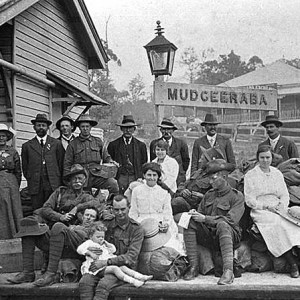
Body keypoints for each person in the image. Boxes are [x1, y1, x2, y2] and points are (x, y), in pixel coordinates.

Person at [183, 159, 244, 285]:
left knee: (222, 224)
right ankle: (194, 266)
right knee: (189, 222)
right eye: (209, 179)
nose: (210, 182)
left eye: (213, 179)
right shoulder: (209, 195)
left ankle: (228, 272)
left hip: (230, 236)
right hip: (211, 236)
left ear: (224, 176)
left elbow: (231, 220)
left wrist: (205, 218)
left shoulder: (236, 196)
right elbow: (200, 214)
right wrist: (194, 214)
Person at [244, 145, 300, 278]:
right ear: (258, 158)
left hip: (278, 207)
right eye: (262, 157)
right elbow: (249, 200)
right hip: (260, 210)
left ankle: (297, 258)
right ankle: (292, 263)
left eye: (268, 157)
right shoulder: (251, 175)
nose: (265, 160)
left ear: (272, 158)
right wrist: (265, 206)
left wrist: (281, 205)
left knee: (293, 223)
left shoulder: (277, 173)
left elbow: (284, 194)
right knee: (276, 224)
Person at [7, 207, 99, 286]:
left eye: (92, 216)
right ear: (82, 217)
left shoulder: (95, 229)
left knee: (58, 226)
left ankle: (51, 274)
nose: (89, 218)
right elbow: (42, 211)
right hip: (61, 245)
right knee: (30, 226)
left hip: (80, 245)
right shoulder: (74, 225)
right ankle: (28, 273)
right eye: (87, 215)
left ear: (96, 220)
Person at [79, 194, 144, 300]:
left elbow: (131, 257)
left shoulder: (136, 229)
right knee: (85, 282)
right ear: (112, 209)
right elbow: (92, 239)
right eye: (116, 210)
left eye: (123, 209)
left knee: (103, 285)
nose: (120, 213)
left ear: (129, 207)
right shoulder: (106, 225)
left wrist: (106, 262)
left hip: (123, 269)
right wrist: (91, 252)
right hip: (100, 266)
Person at [129, 162, 185, 255]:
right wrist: (135, 226)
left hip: (160, 223)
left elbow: (167, 214)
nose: (151, 178)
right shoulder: (137, 191)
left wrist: (166, 224)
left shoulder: (164, 193)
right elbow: (133, 212)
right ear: (144, 175)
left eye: (154, 175)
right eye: (149, 175)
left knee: (170, 246)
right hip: (141, 223)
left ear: (158, 177)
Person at [77, 222, 152, 287]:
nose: (101, 239)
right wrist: (89, 253)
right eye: (98, 237)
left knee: (123, 267)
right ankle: (133, 282)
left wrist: (107, 244)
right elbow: (79, 249)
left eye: (102, 237)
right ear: (91, 236)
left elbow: (113, 250)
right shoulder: (89, 243)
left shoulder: (103, 244)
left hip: (105, 265)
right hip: (96, 269)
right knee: (115, 269)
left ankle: (140, 276)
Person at [64, 114, 119, 195]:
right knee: (84, 197)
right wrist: (68, 181)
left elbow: (106, 157)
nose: (85, 129)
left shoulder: (98, 141)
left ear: (90, 127)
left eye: (87, 126)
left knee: (113, 184)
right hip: (80, 177)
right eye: (83, 126)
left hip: (97, 174)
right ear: (79, 128)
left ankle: (111, 205)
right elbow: (67, 164)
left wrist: (111, 162)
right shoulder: (73, 144)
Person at [21, 114, 65, 210]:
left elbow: (61, 164)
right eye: (38, 125)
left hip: (52, 183)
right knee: (37, 209)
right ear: (34, 127)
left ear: (48, 127)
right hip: (36, 184)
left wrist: (59, 181)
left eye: (43, 125)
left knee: (53, 209)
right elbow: (25, 167)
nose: (41, 127)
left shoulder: (56, 144)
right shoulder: (27, 146)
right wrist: (31, 178)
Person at [39, 164, 103, 228]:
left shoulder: (86, 196)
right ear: (70, 180)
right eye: (74, 179)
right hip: (55, 224)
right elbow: (45, 208)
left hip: (75, 228)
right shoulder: (60, 192)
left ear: (84, 180)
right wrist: (61, 217)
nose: (77, 181)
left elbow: (96, 203)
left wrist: (77, 208)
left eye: (80, 178)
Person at [172, 147, 227, 216]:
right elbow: (182, 185)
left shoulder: (216, 179)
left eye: (202, 159)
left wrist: (202, 197)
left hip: (197, 209)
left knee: (177, 202)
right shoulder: (197, 172)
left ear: (209, 162)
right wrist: (183, 191)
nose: (199, 161)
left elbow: (218, 199)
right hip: (183, 202)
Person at [107, 115, 148, 193]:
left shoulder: (141, 146)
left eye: (130, 128)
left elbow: (144, 163)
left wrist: (141, 177)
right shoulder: (113, 145)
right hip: (120, 177)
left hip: (135, 177)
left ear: (134, 129)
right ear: (121, 129)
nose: (128, 130)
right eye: (125, 128)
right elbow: (109, 161)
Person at [150, 118, 190, 185]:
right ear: (160, 130)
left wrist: (181, 173)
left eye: (168, 129)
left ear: (173, 130)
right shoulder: (154, 143)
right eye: (164, 129)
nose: (166, 132)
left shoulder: (181, 143)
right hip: (161, 180)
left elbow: (186, 161)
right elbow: (154, 161)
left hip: (178, 179)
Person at [0, 124, 22, 239]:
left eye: (3, 136)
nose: (1, 138)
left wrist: (15, 185)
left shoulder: (12, 151)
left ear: (7, 137)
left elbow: (18, 171)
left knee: (14, 207)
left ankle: (16, 233)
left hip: (11, 181)